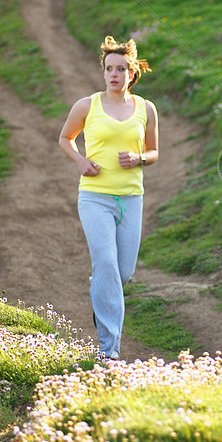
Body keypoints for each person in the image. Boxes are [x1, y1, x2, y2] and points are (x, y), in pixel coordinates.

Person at [58, 36, 158, 360]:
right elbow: (65, 138)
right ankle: (108, 352)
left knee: (121, 273)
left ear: (132, 73)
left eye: (121, 69)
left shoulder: (146, 109)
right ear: (103, 72)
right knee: (105, 263)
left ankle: (101, 293)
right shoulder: (87, 105)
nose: (114, 74)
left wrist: (140, 158)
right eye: (109, 68)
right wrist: (80, 161)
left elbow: (155, 151)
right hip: (95, 196)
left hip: (131, 198)